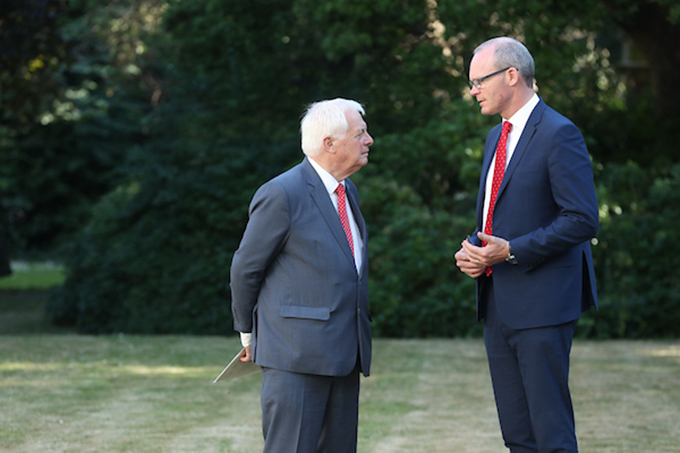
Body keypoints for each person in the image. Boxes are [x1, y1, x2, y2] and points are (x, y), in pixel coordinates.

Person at [454, 37, 599, 452]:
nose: (473, 90)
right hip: (498, 300)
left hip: (544, 302)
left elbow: (582, 219)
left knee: (550, 433)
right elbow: (497, 216)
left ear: (512, 75)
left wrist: (512, 250)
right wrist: (472, 249)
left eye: (479, 80)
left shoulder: (559, 133)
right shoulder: (495, 138)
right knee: (517, 434)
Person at [229, 98, 374, 453]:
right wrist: (248, 331)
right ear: (330, 143)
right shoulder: (282, 193)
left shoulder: (347, 191)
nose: (369, 140)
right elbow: (246, 267)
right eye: (361, 133)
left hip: (344, 354)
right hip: (295, 357)